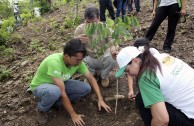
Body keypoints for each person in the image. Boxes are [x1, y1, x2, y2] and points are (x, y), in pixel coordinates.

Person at [30, 38, 111, 126]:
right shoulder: (54, 62)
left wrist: (100, 99)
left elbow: (91, 78)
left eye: (81, 59)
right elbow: (62, 92)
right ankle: (42, 109)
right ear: (66, 56)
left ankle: (56, 103)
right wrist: (73, 115)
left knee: (86, 88)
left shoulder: (78, 62)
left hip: (59, 83)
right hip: (41, 86)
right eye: (77, 60)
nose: (80, 62)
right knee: (54, 91)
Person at [115, 46, 194, 125]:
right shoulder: (161, 57)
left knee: (141, 100)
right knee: (144, 97)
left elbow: (162, 120)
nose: (129, 74)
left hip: (190, 119)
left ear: (135, 60)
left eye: (128, 70)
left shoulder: (146, 77)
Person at [74, 7, 119, 88]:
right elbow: (71, 46)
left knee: (114, 58)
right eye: (88, 22)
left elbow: (112, 41)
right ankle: (90, 74)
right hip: (88, 57)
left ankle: (104, 76)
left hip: (103, 56)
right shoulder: (80, 29)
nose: (91, 25)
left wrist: (113, 49)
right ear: (85, 20)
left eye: (94, 22)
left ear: (99, 19)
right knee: (75, 57)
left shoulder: (104, 27)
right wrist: (77, 40)